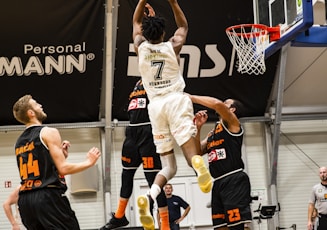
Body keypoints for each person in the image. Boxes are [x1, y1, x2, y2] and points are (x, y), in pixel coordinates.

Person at [132, 1, 212, 229]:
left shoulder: (141, 47)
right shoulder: (172, 46)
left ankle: (148, 197)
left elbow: (136, 23)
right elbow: (183, 26)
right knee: (190, 156)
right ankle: (198, 166)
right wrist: (174, 3)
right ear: (164, 33)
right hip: (176, 100)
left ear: (145, 35)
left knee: (169, 167)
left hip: (155, 107)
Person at [12, 94, 101, 230]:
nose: (40, 105)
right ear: (31, 113)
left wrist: (61, 156)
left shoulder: (19, 142)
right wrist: (89, 162)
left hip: (25, 202)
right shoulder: (48, 132)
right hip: (47, 197)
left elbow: (41, 168)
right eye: (36, 104)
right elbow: (63, 169)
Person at [99, 80, 169, 230]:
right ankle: (119, 216)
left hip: (147, 131)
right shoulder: (137, 83)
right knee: (126, 175)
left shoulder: (158, 80)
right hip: (131, 132)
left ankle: (165, 225)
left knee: (153, 179)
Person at [189, 94, 252, 230]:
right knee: (220, 227)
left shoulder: (233, 124)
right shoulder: (213, 132)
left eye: (226, 103)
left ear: (232, 110)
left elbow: (217, 104)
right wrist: (198, 128)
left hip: (234, 179)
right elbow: (198, 152)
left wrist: (191, 97)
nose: (222, 104)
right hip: (217, 182)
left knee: (237, 226)